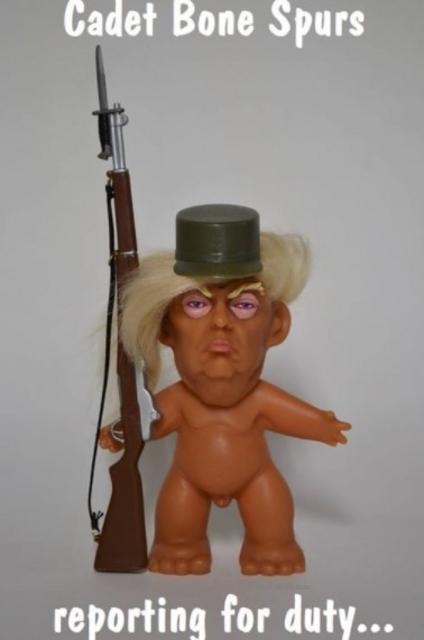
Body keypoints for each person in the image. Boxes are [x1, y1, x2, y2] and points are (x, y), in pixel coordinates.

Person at [99, 204, 351, 576]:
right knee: (178, 519)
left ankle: (272, 545)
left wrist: (321, 424)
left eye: (244, 305)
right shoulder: (179, 401)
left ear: (276, 326)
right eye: (196, 304)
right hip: (188, 479)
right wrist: (121, 430)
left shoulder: (259, 399)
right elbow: (148, 421)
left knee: (270, 512)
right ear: (166, 329)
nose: (220, 321)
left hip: (255, 477)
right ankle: (179, 544)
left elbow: (293, 415)